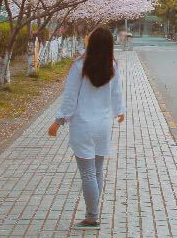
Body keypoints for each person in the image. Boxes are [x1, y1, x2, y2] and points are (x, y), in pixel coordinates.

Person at [48, 27, 126, 227]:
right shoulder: (113, 66)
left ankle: (92, 217)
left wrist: (58, 121)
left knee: (89, 174)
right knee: (97, 172)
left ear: (91, 43)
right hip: (103, 126)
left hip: (83, 125)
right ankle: (93, 214)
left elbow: (70, 98)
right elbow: (117, 93)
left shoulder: (79, 66)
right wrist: (120, 111)